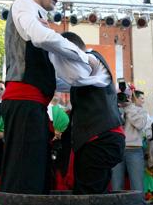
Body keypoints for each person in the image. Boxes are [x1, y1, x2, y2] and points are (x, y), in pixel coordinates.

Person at [1, 0, 89, 194]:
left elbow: (49, 76)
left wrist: (89, 82)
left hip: (34, 105)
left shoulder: (40, 18)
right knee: (23, 176)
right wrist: (83, 56)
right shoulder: (24, 4)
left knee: (35, 173)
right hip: (24, 103)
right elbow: (40, 38)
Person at [49, 31, 125, 196]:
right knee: (95, 192)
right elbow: (62, 83)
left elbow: (76, 74)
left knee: (89, 193)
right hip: (99, 139)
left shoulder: (92, 59)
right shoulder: (84, 76)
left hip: (101, 138)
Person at [111, 89, 151, 205]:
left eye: (127, 96)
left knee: (138, 189)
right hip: (116, 151)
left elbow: (139, 124)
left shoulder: (139, 110)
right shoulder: (112, 108)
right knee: (116, 189)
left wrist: (129, 108)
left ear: (131, 97)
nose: (124, 98)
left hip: (134, 150)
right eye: (121, 96)